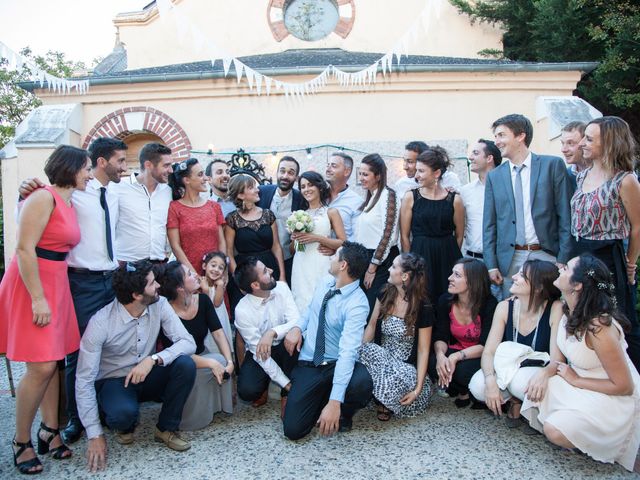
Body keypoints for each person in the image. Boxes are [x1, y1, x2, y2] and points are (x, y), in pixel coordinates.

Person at [17, 138, 129, 444]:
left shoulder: (117, 192)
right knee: (76, 354)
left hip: (110, 279)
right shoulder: (70, 194)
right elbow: (31, 232)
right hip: (79, 281)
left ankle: (103, 411)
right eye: (121, 160)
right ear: (100, 162)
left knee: (107, 348)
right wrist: (24, 189)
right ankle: (75, 420)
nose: (125, 166)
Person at [0, 146, 91, 474]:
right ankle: (20, 440)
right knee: (39, 367)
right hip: (33, 284)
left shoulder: (69, 200)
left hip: (57, 283)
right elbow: (23, 249)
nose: (90, 174)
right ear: (70, 168)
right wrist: (38, 298)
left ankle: (49, 432)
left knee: (54, 363)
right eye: (86, 168)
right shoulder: (43, 197)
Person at [521, 254, 640, 472]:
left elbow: (624, 386)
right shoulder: (565, 309)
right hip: (580, 383)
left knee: (554, 430)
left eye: (566, 268)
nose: (559, 268)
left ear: (576, 285)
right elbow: (557, 361)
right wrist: (546, 373)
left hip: (613, 397)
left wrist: (576, 380)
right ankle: (578, 431)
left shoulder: (599, 327)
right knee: (529, 384)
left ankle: (594, 440)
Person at [76, 260, 196, 473]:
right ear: (137, 295)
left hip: (147, 372)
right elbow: (84, 380)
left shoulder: (158, 304)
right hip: (115, 380)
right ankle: (118, 421)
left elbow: (188, 342)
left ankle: (165, 429)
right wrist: (94, 435)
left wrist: (153, 359)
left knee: (184, 365)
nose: (158, 286)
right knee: (122, 417)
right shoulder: (101, 322)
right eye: (152, 284)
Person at [282, 242, 373, 440]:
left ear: (343, 265)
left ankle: (343, 412)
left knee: (361, 381)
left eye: (334, 256)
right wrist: (297, 327)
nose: (330, 259)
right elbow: (309, 310)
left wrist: (334, 402)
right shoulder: (325, 282)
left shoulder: (358, 303)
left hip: (335, 364)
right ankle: (319, 398)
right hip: (310, 363)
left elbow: (348, 353)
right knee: (293, 431)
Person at [571, 116, 640, 371]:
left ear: (609, 143)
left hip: (608, 258)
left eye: (589, 139)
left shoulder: (625, 180)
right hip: (581, 255)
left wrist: (630, 263)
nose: (582, 144)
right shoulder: (583, 175)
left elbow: (637, 226)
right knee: (583, 319)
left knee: (617, 320)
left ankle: (631, 387)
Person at [484, 114, 573, 300]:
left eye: (501, 135)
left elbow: (565, 215)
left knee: (551, 308)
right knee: (513, 311)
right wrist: (491, 264)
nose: (497, 141)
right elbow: (489, 224)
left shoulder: (552, 165)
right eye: (495, 136)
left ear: (520, 136)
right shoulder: (495, 176)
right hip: (510, 259)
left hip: (547, 255)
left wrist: (563, 257)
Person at [469, 259, 563, 431]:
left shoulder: (555, 308)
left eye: (521, 275)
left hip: (540, 372)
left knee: (519, 383)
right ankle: (515, 403)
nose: (513, 277)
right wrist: (490, 381)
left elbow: (558, 360)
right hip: (511, 369)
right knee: (478, 385)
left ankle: (536, 413)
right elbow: (489, 351)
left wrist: (544, 374)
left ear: (539, 286)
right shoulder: (504, 306)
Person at [155, 261, 234, 430]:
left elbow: (218, 332)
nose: (196, 275)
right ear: (180, 288)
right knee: (204, 365)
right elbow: (177, 353)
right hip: (180, 362)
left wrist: (230, 361)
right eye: (189, 275)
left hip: (201, 352)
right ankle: (190, 418)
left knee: (220, 359)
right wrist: (211, 363)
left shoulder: (203, 300)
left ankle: (215, 408)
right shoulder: (165, 311)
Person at [359, 253, 434, 421]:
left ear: (405, 276)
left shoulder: (423, 306)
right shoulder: (385, 293)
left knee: (390, 383)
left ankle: (386, 398)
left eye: (393, 267)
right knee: (366, 351)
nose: (388, 269)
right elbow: (371, 326)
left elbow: (423, 351)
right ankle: (382, 396)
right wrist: (360, 353)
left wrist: (418, 389)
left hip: (404, 368)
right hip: (381, 360)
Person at [234, 258, 300, 416]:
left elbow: (296, 320)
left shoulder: (282, 288)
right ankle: (265, 386)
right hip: (260, 353)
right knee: (247, 390)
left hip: (285, 345)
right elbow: (261, 355)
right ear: (255, 285)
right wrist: (287, 384)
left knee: (296, 337)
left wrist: (272, 332)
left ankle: (287, 397)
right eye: (264, 271)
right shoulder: (242, 310)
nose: (271, 271)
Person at [400, 146, 464, 306]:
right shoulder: (411, 196)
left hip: (448, 256)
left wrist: (450, 257)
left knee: (448, 301)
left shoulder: (454, 199)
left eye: (421, 171)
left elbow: (460, 235)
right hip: (420, 256)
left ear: (436, 173)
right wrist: (409, 264)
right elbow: (404, 235)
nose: (416, 176)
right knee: (422, 301)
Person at [429, 258, 498, 407]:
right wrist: (441, 356)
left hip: (481, 355)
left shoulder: (490, 305)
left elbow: (486, 345)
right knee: (434, 362)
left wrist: (455, 357)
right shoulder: (445, 301)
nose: (450, 278)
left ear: (473, 282)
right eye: (452, 274)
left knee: (462, 370)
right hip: (458, 350)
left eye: (457, 275)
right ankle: (462, 390)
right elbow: (441, 335)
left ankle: (471, 391)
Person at [290, 171, 346, 313]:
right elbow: (293, 249)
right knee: (302, 302)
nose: (306, 189)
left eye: (310, 185)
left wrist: (316, 238)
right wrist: (295, 240)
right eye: (302, 186)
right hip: (301, 264)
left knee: (322, 303)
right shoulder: (299, 215)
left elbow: (343, 242)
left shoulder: (331, 212)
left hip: (321, 262)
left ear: (319, 187)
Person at [354, 153, 400, 311]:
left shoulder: (388, 195)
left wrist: (372, 268)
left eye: (365, 174)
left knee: (373, 308)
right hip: (366, 259)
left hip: (381, 261)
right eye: (360, 173)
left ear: (378, 176)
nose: (361, 178)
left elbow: (389, 234)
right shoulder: (370, 198)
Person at [115, 143, 173, 263]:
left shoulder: (168, 192)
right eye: (166, 165)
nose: (171, 170)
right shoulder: (118, 188)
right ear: (148, 165)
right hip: (127, 265)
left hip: (159, 265)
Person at [167, 158, 226, 276]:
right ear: (187, 180)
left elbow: (221, 242)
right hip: (188, 274)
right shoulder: (174, 208)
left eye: (204, 173)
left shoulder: (214, 207)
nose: (205, 178)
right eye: (200, 175)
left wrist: (223, 271)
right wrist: (194, 276)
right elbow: (175, 246)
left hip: (215, 274)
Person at [225, 174, 286, 285]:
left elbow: (276, 247)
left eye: (255, 186)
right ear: (240, 195)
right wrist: (238, 281)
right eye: (251, 187)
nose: (257, 190)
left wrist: (282, 276)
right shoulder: (232, 219)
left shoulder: (268, 215)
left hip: (269, 267)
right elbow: (228, 252)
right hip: (246, 272)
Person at [257, 156, 305, 285]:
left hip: (289, 258)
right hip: (263, 258)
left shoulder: (301, 198)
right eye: (282, 171)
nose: (285, 176)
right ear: (277, 172)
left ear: (296, 178)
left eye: (291, 173)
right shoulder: (262, 192)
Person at [459, 139, 502, 261]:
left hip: (501, 260)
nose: (470, 157)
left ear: (489, 158)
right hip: (472, 259)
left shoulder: (507, 188)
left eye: (476, 153)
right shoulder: (465, 191)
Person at [200, 251, 233, 356]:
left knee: (221, 344)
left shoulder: (220, 285)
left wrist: (220, 286)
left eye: (220, 268)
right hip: (207, 322)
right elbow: (206, 305)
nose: (216, 270)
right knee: (210, 344)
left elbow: (216, 303)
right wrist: (205, 289)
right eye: (213, 265)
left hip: (219, 320)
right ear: (204, 265)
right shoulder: (200, 283)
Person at [325, 152, 363, 242]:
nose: (328, 169)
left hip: (342, 254)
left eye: (333, 166)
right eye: (327, 165)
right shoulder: (319, 195)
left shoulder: (357, 202)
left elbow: (356, 238)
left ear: (347, 171)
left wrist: (336, 250)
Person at [560, 121, 588, 191]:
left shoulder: (604, 173)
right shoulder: (566, 176)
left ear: (585, 143)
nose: (563, 149)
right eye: (562, 143)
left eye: (570, 143)